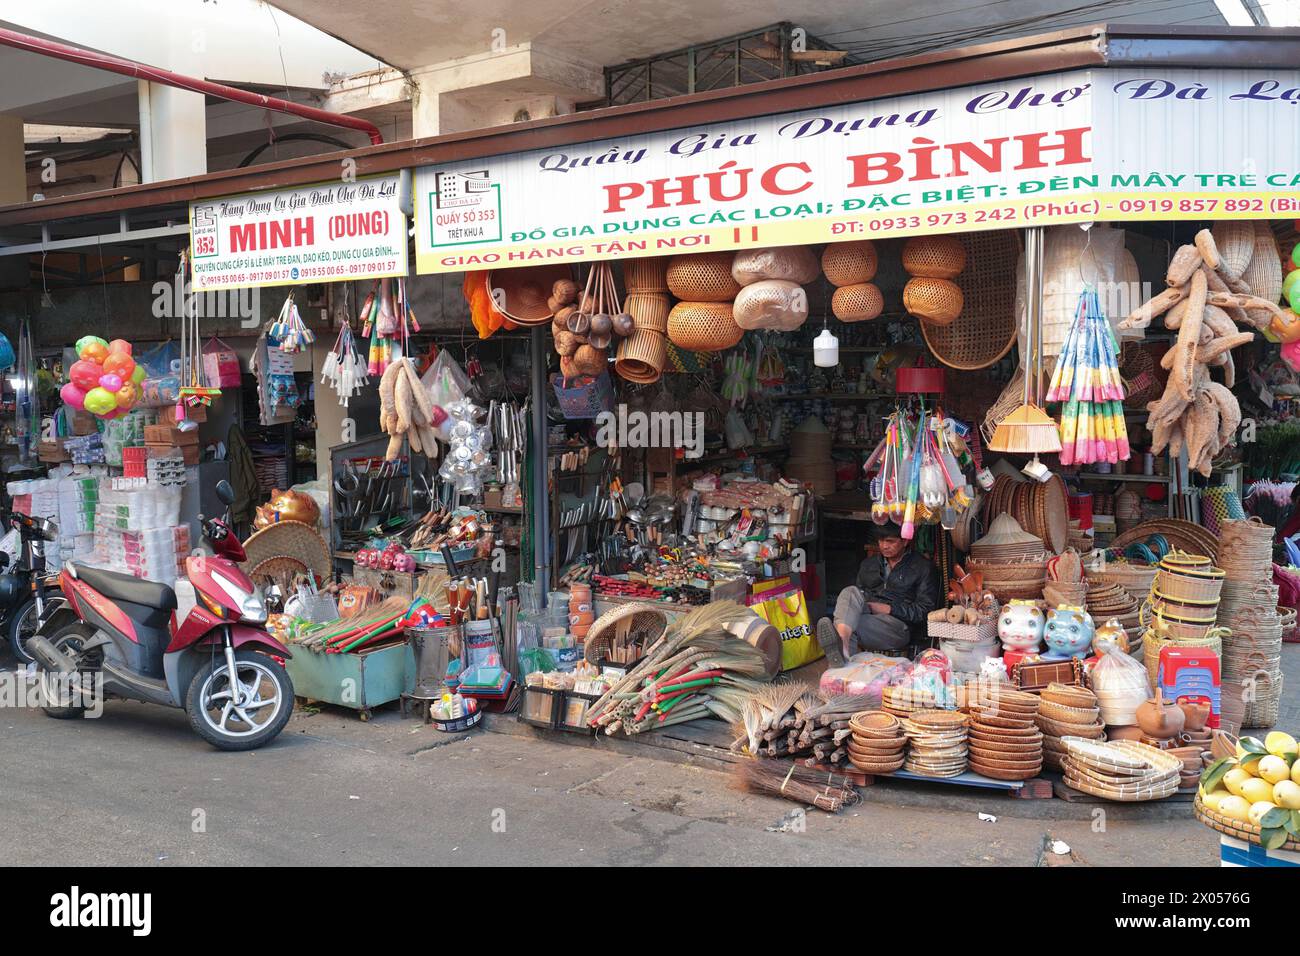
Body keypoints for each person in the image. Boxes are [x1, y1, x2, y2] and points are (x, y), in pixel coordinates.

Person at [816, 522, 939, 665]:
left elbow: (925, 611)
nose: (884, 546)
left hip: (898, 627)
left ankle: (840, 657)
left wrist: (890, 609)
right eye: (880, 541)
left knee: (850, 624)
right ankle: (842, 646)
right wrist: (868, 605)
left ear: (905, 541)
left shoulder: (922, 567)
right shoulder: (869, 564)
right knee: (849, 593)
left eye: (890, 541)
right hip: (868, 615)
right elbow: (856, 599)